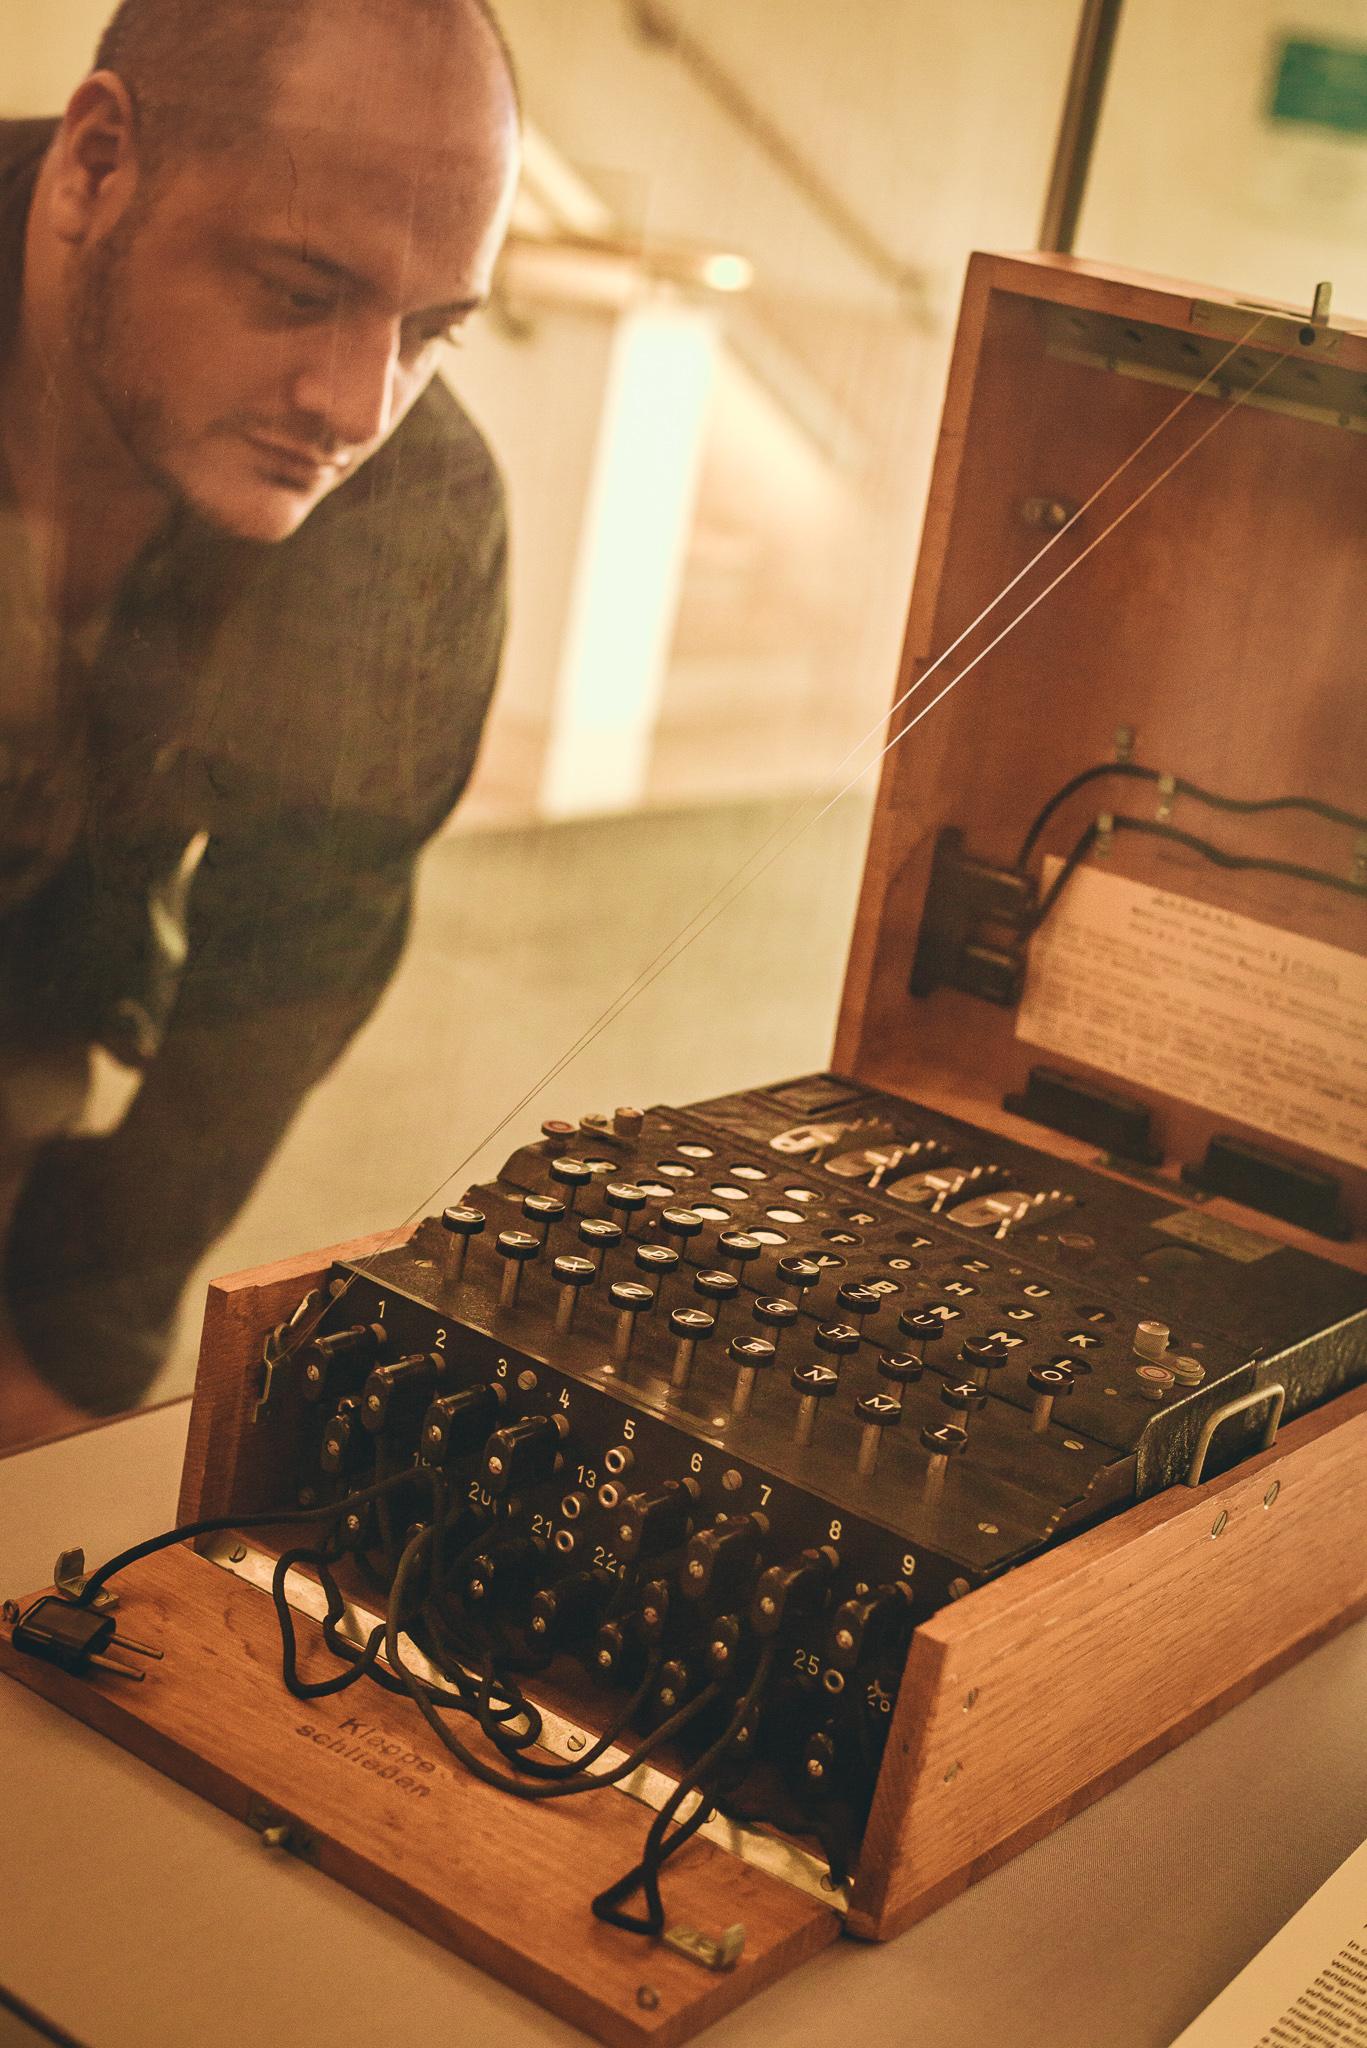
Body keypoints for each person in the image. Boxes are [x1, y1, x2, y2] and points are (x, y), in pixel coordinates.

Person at [0, 0, 520, 1447]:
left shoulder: (413, 512)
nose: (358, 406)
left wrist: (78, 1335)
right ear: (98, 165)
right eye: (301, 292)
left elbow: (300, 944)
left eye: (429, 332)